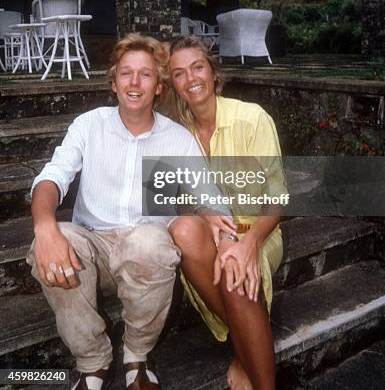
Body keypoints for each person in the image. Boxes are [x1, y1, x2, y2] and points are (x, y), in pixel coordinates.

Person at [27, 33, 233, 390]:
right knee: (54, 241)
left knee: (151, 241)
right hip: (92, 246)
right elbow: (53, 178)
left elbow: (208, 195)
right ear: (114, 82)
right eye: (126, 73)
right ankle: (92, 361)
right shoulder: (90, 125)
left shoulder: (176, 139)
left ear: (159, 87)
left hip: (146, 252)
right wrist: (44, 228)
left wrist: (227, 234)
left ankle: (137, 354)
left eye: (146, 74)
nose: (134, 83)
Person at [166, 35, 286, 390]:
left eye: (198, 67)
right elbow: (179, 198)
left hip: (260, 230)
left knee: (234, 261)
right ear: (171, 83)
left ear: (213, 71)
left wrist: (248, 244)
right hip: (214, 231)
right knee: (184, 229)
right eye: (179, 73)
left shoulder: (252, 119)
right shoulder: (176, 134)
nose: (191, 79)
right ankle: (246, 342)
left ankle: (256, 371)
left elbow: (278, 199)